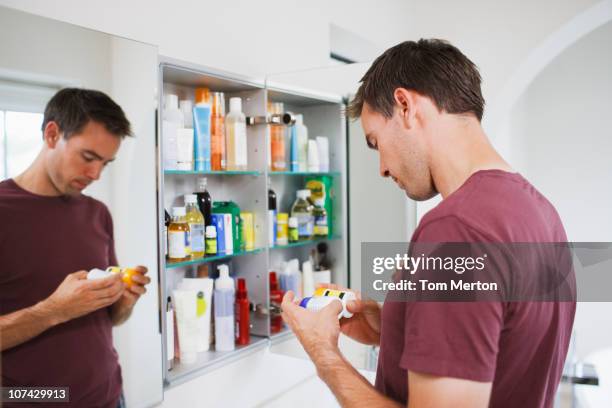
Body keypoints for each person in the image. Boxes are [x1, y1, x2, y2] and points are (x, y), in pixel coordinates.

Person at [281, 39, 575, 407]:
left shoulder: (454, 230)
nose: (383, 168)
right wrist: (394, 328)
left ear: (405, 106)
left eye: (376, 143)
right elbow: (502, 343)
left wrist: (324, 355)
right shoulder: (539, 212)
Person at [0, 88, 151, 408]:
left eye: (105, 164)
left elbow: (110, 320)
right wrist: (54, 310)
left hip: (111, 397)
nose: (95, 174)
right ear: (52, 134)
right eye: (88, 157)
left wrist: (123, 301)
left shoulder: (98, 214)